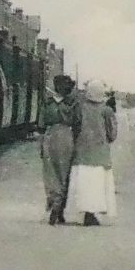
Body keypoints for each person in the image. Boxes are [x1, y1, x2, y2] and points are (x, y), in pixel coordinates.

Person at [65, 79, 119, 225]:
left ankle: (86, 213)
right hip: (100, 155)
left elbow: (74, 128)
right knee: (98, 185)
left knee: (83, 183)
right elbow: (112, 134)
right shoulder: (107, 110)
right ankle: (92, 213)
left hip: (82, 153)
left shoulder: (80, 108)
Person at [39, 74, 80, 225]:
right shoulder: (73, 104)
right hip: (67, 137)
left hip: (50, 137)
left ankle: (53, 202)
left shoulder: (47, 102)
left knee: (50, 173)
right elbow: (78, 123)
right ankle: (60, 208)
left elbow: (41, 124)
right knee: (64, 174)